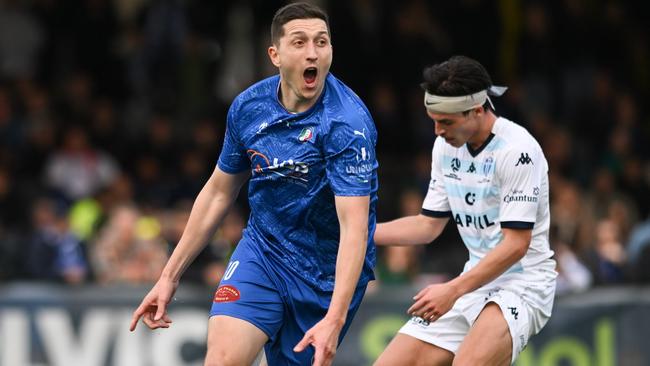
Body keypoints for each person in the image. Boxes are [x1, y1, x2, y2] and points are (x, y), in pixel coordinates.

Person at [129, 3, 378, 366]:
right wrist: (169, 276)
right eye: (300, 42)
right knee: (222, 360)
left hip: (324, 275)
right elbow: (218, 192)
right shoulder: (249, 107)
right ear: (275, 55)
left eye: (321, 42)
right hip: (264, 253)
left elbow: (354, 227)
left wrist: (335, 319)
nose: (313, 52)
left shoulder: (347, 123)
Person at [373, 55, 556, 366]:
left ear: (477, 110)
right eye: (433, 121)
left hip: (523, 285)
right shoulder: (445, 147)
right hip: (473, 281)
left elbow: (516, 245)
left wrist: (452, 290)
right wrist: (353, 233)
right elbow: (426, 226)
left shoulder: (518, 151)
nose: (437, 131)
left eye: (446, 122)